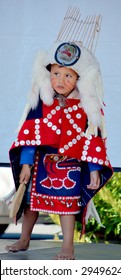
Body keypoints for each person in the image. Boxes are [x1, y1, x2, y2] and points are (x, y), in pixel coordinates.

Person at [6, 41, 113, 259]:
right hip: (40, 163)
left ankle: (67, 247)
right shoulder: (41, 103)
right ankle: (24, 238)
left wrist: (93, 169)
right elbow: (30, 135)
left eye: (68, 76)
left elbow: (91, 139)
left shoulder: (87, 107)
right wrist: (26, 163)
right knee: (30, 204)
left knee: (68, 208)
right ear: (48, 74)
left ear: (79, 80)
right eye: (55, 73)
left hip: (70, 165)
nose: (60, 80)